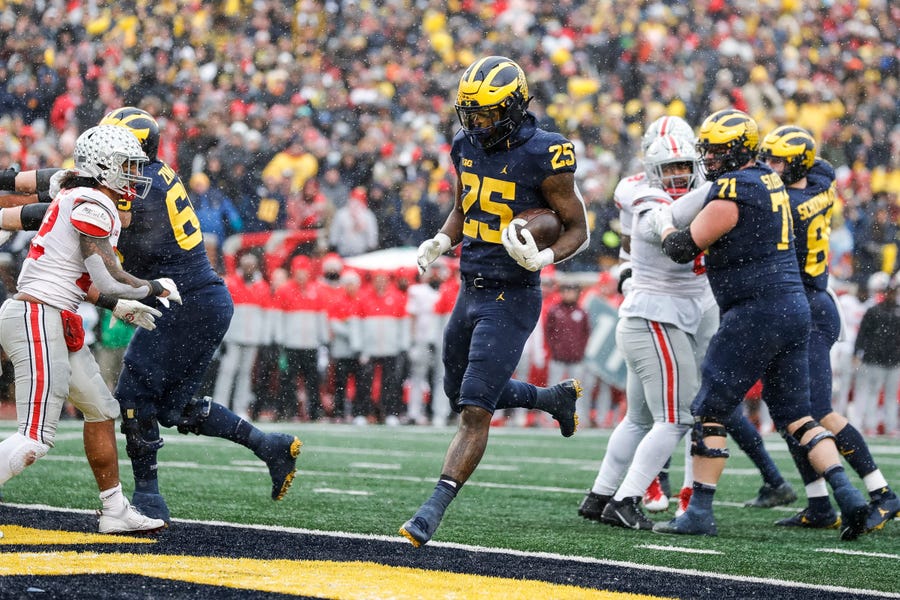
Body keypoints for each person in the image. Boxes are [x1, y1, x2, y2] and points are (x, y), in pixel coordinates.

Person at [1, 107, 302, 523]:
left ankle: (146, 498)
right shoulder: (139, 179)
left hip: (186, 299)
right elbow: (65, 184)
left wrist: (5, 212)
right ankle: (269, 446)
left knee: (132, 397)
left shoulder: (131, 190)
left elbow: (61, 202)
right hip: (194, 298)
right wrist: (6, 181)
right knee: (175, 408)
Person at [646, 109, 880, 540]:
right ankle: (851, 499)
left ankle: (699, 511)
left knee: (710, 410)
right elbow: (819, 168)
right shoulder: (771, 180)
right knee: (798, 416)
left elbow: (681, 248)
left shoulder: (735, 188)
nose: (709, 158)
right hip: (794, 308)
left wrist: (660, 225)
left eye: (717, 150)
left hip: (756, 310)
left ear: (737, 150)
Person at [401, 56, 589, 548]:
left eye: (486, 114)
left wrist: (542, 257)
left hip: (513, 295)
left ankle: (432, 509)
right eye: (472, 114)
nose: (477, 124)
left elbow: (578, 228)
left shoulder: (546, 153)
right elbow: (466, 204)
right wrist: (443, 239)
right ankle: (550, 398)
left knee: (474, 411)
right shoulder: (465, 143)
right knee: (458, 392)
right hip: (470, 285)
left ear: (512, 107)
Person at [0, 124, 172, 534]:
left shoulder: (82, 197)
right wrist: (154, 287)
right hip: (38, 317)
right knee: (36, 437)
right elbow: (109, 277)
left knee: (101, 408)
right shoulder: (92, 202)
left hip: (55, 315)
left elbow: (83, 282)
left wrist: (120, 304)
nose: (133, 175)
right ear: (104, 167)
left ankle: (113, 510)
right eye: (127, 166)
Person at [759, 126, 899, 528]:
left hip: (809, 308)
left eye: (778, 161)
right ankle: (820, 503)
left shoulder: (786, 202)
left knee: (817, 412)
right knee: (787, 411)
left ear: (796, 164)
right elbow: (821, 166)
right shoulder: (820, 180)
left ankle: (882, 492)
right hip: (803, 303)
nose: (770, 168)